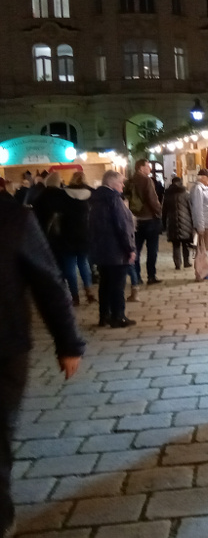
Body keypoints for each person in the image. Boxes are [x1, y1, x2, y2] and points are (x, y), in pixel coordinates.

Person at [0, 195, 84, 538]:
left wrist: (68, 342)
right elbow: (48, 280)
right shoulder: (14, 216)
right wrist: (68, 343)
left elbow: (47, 282)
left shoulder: (12, 217)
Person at [89, 170, 137, 328]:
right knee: (117, 285)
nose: (123, 185)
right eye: (121, 182)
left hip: (101, 249)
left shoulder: (95, 199)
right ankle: (118, 316)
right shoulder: (114, 199)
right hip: (116, 250)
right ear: (111, 183)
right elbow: (122, 227)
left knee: (105, 284)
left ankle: (104, 315)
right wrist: (130, 248)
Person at [60, 172, 96, 305]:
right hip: (85, 234)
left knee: (70, 266)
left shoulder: (63, 194)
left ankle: (74, 296)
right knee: (84, 263)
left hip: (67, 234)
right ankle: (89, 292)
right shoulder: (90, 194)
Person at [129, 159, 163, 285]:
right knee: (152, 250)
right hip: (149, 219)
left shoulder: (129, 181)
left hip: (134, 220)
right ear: (141, 168)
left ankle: (136, 277)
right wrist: (159, 212)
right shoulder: (147, 180)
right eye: (147, 166)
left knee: (136, 249)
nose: (150, 168)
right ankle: (151, 276)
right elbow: (152, 199)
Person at [190, 169, 208, 282]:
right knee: (201, 250)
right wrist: (200, 226)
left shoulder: (205, 189)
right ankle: (200, 273)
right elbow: (198, 209)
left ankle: (205, 270)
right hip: (204, 225)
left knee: (205, 249)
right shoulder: (198, 189)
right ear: (201, 177)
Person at [161, 177, 194, 271]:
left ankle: (177, 264)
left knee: (175, 244)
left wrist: (164, 224)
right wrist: (192, 222)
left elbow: (164, 211)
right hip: (186, 222)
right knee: (185, 243)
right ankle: (186, 262)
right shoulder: (185, 194)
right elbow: (190, 208)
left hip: (172, 222)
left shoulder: (167, 195)